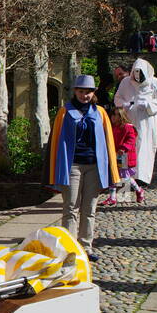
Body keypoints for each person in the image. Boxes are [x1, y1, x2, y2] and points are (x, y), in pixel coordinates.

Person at [47, 75, 120, 262]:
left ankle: (86, 247)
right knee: (70, 207)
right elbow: (56, 142)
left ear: (93, 92)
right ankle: (69, 248)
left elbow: (107, 141)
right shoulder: (65, 112)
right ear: (75, 92)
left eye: (88, 92)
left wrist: (111, 168)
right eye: (81, 91)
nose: (84, 95)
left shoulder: (101, 112)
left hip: (94, 166)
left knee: (90, 208)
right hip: (73, 166)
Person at [114, 57, 157, 188]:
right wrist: (124, 105)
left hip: (147, 123)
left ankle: (142, 177)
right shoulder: (126, 83)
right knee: (128, 147)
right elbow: (117, 97)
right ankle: (127, 177)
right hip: (130, 122)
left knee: (145, 149)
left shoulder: (154, 82)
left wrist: (149, 105)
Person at [99, 108, 144, 206]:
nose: (113, 117)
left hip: (123, 156)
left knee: (125, 177)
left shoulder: (128, 127)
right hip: (114, 155)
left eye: (116, 115)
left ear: (121, 116)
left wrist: (124, 148)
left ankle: (139, 190)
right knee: (113, 176)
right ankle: (112, 197)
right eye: (112, 115)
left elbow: (131, 139)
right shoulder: (112, 127)